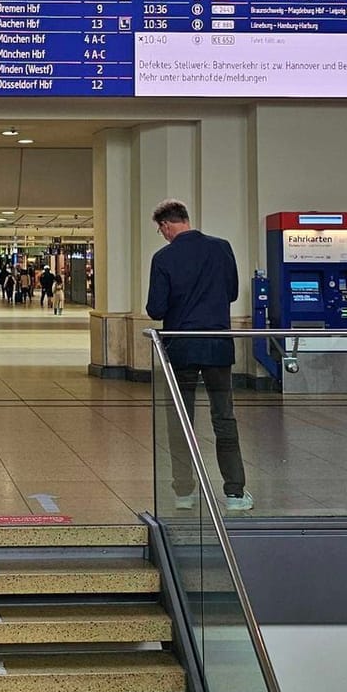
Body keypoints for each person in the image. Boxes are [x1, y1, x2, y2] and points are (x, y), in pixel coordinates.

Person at [145, 198, 250, 512]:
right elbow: (231, 292)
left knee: (180, 421)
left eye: (161, 230)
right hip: (217, 345)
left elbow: (156, 308)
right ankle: (234, 492)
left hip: (180, 347)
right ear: (186, 219)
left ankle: (184, 492)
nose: (163, 235)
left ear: (166, 225)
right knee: (224, 418)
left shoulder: (163, 258)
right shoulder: (222, 248)